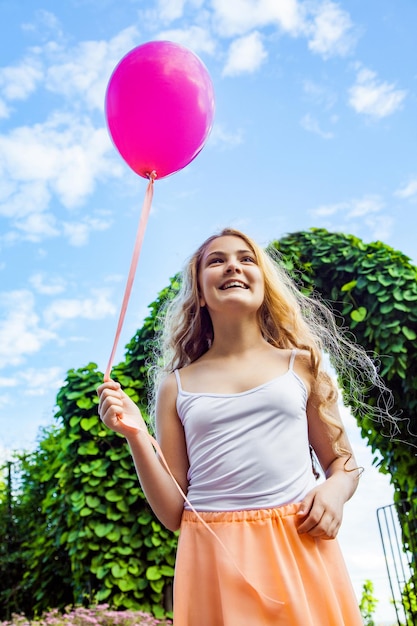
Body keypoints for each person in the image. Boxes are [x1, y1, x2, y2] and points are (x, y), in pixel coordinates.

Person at [97, 227, 390, 626]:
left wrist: (336, 491)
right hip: (213, 555)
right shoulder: (175, 386)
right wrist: (135, 434)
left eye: (245, 258)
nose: (232, 264)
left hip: (298, 543)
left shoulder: (302, 365)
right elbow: (171, 510)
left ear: (263, 282)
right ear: (200, 292)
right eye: (216, 260)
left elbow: (345, 465)